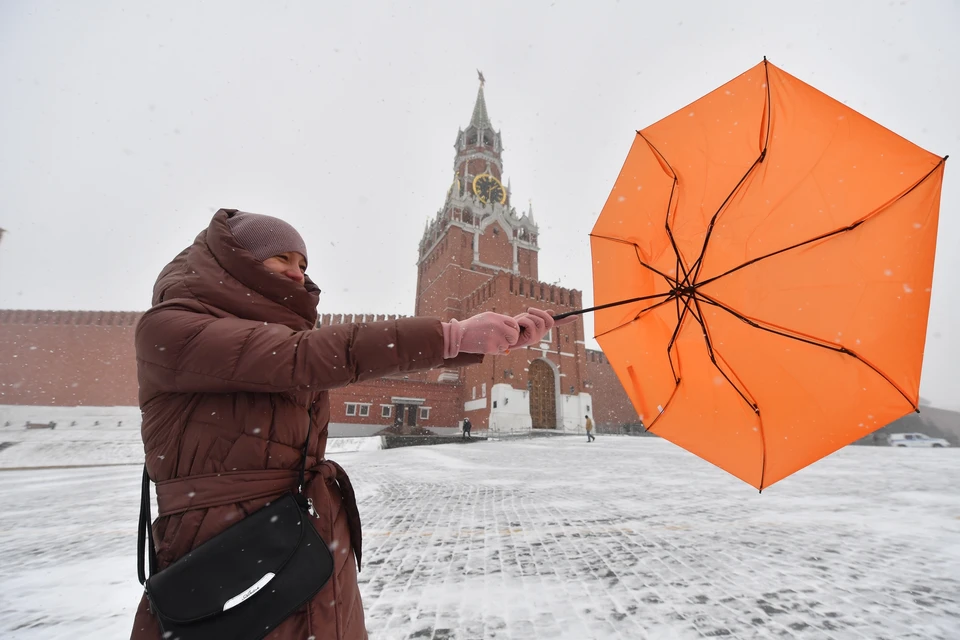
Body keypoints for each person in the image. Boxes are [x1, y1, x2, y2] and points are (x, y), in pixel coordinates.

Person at [130, 209, 570, 640]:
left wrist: (487, 342)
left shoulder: (275, 335)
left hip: (304, 539)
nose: (297, 272)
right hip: (225, 552)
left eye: (302, 263)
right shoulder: (172, 329)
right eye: (280, 258)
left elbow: (325, 359)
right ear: (235, 259)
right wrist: (450, 336)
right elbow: (305, 357)